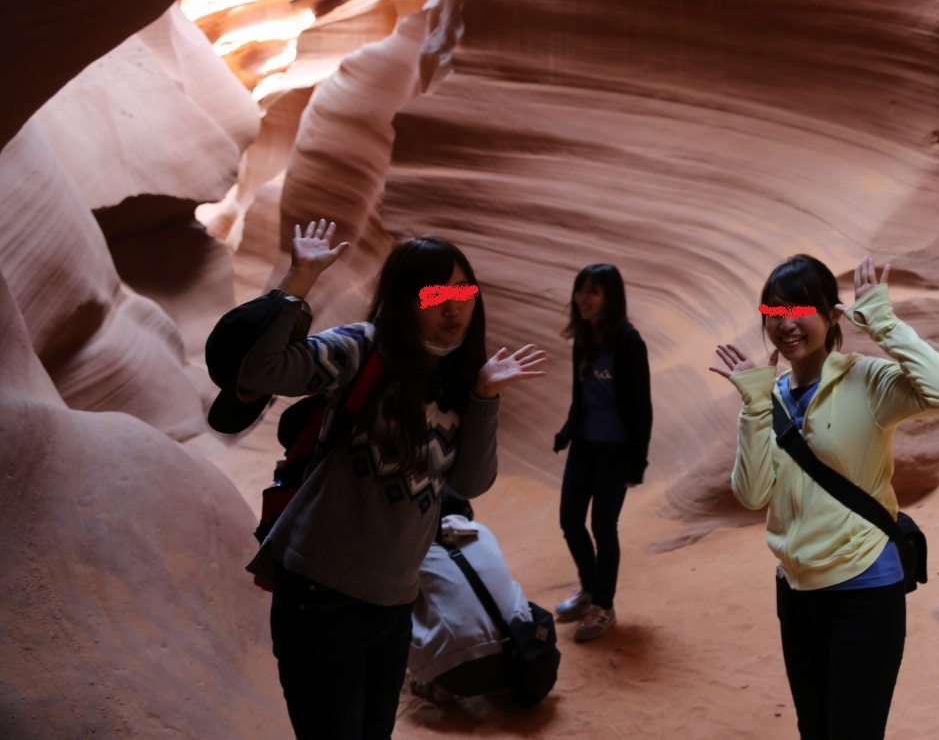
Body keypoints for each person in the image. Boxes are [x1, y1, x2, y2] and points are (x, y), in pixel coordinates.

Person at [210, 218, 546, 740]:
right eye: (436, 293)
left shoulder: (460, 381)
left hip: (394, 606)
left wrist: (484, 398)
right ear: (405, 300)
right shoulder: (361, 349)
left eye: (463, 290)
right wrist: (298, 282)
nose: (453, 305)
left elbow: (473, 482)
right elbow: (259, 372)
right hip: (320, 599)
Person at [710, 254, 939, 740]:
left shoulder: (866, 380)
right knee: (815, 729)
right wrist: (753, 407)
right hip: (797, 589)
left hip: (864, 588)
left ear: (832, 315)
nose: (785, 324)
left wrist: (885, 324)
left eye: (799, 309)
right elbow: (751, 494)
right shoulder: (774, 393)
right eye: (775, 312)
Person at [552, 263, 652, 642]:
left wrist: (637, 461)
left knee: (603, 528)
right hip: (585, 447)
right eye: (580, 290)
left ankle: (604, 606)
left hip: (615, 452)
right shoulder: (584, 339)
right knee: (570, 521)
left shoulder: (628, 342)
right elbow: (581, 396)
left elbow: (641, 407)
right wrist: (567, 430)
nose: (582, 299)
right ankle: (590, 588)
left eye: (592, 291)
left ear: (611, 297)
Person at [407, 487, 530, 702]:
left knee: (398, 603)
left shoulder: (415, 547)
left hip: (460, 676)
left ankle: (437, 684)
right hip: (522, 652)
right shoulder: (483, 531)